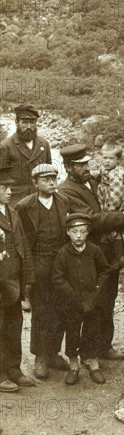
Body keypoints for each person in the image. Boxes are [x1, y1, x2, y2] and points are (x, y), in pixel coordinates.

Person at [59, 144, 124, 361]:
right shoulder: (67, 191)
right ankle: (88, 352)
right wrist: (123, 217)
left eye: (86, 163)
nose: (86, 168)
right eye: (80, 165)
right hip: (89, 256)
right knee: (93, 302)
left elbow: (114, 195)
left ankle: (104, 345)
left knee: (109, 297)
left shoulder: (91, 181)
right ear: (68, 167)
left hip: (108, 252)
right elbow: (92, 218)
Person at [15, 164, 70, 379]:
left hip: (61, 264)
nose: (51, 182)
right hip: (38, 262)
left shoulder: (64, 202)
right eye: (45, 179)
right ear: (35, 183)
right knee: (41, 310)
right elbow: (21, 241)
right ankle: (40, 357)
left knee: (61, 308)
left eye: (54, 178)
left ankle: (54, 353)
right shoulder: (24, 206)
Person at [52, 213, 111, 385]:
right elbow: (57, 278)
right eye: (75, 231)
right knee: (72, 332)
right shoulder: (63, 253)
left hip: (92, 301)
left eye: (82, 232)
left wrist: (97, 290)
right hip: (71, 303)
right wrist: (71, 294)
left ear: (88, 233)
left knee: (92, 330)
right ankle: (73, 366)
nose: (78, 236)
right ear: (68, 232)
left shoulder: (94, 251)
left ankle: (93, 363)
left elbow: (104, 271)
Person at [0, 165, 36, 392]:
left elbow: (23, 246)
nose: (9, 191)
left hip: (14, 282)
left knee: (14, 325)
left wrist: (28, 278)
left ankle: (13, 368)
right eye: (4, 188)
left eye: (10, 187)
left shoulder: (12, 213)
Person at [0, 104, 52, 207]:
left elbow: (49, 173)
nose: (29, 127)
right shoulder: (6, 146)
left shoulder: (44, 144)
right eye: (25, 122)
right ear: (17, 123)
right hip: (17, 202)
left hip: (40, 200)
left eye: (32, 122)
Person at [97, 140, 124, 270]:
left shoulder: (116, 174)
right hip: (110, 196)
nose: (107, 161)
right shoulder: (105, 168)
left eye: (111, 159)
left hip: (117, 202)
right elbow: (100, 173)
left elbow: (116, 196)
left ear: (118, 160)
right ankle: (116, 254)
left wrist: (110, 212)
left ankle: (120, 256)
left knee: (113, 227)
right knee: (112, 228)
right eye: (104, 158)